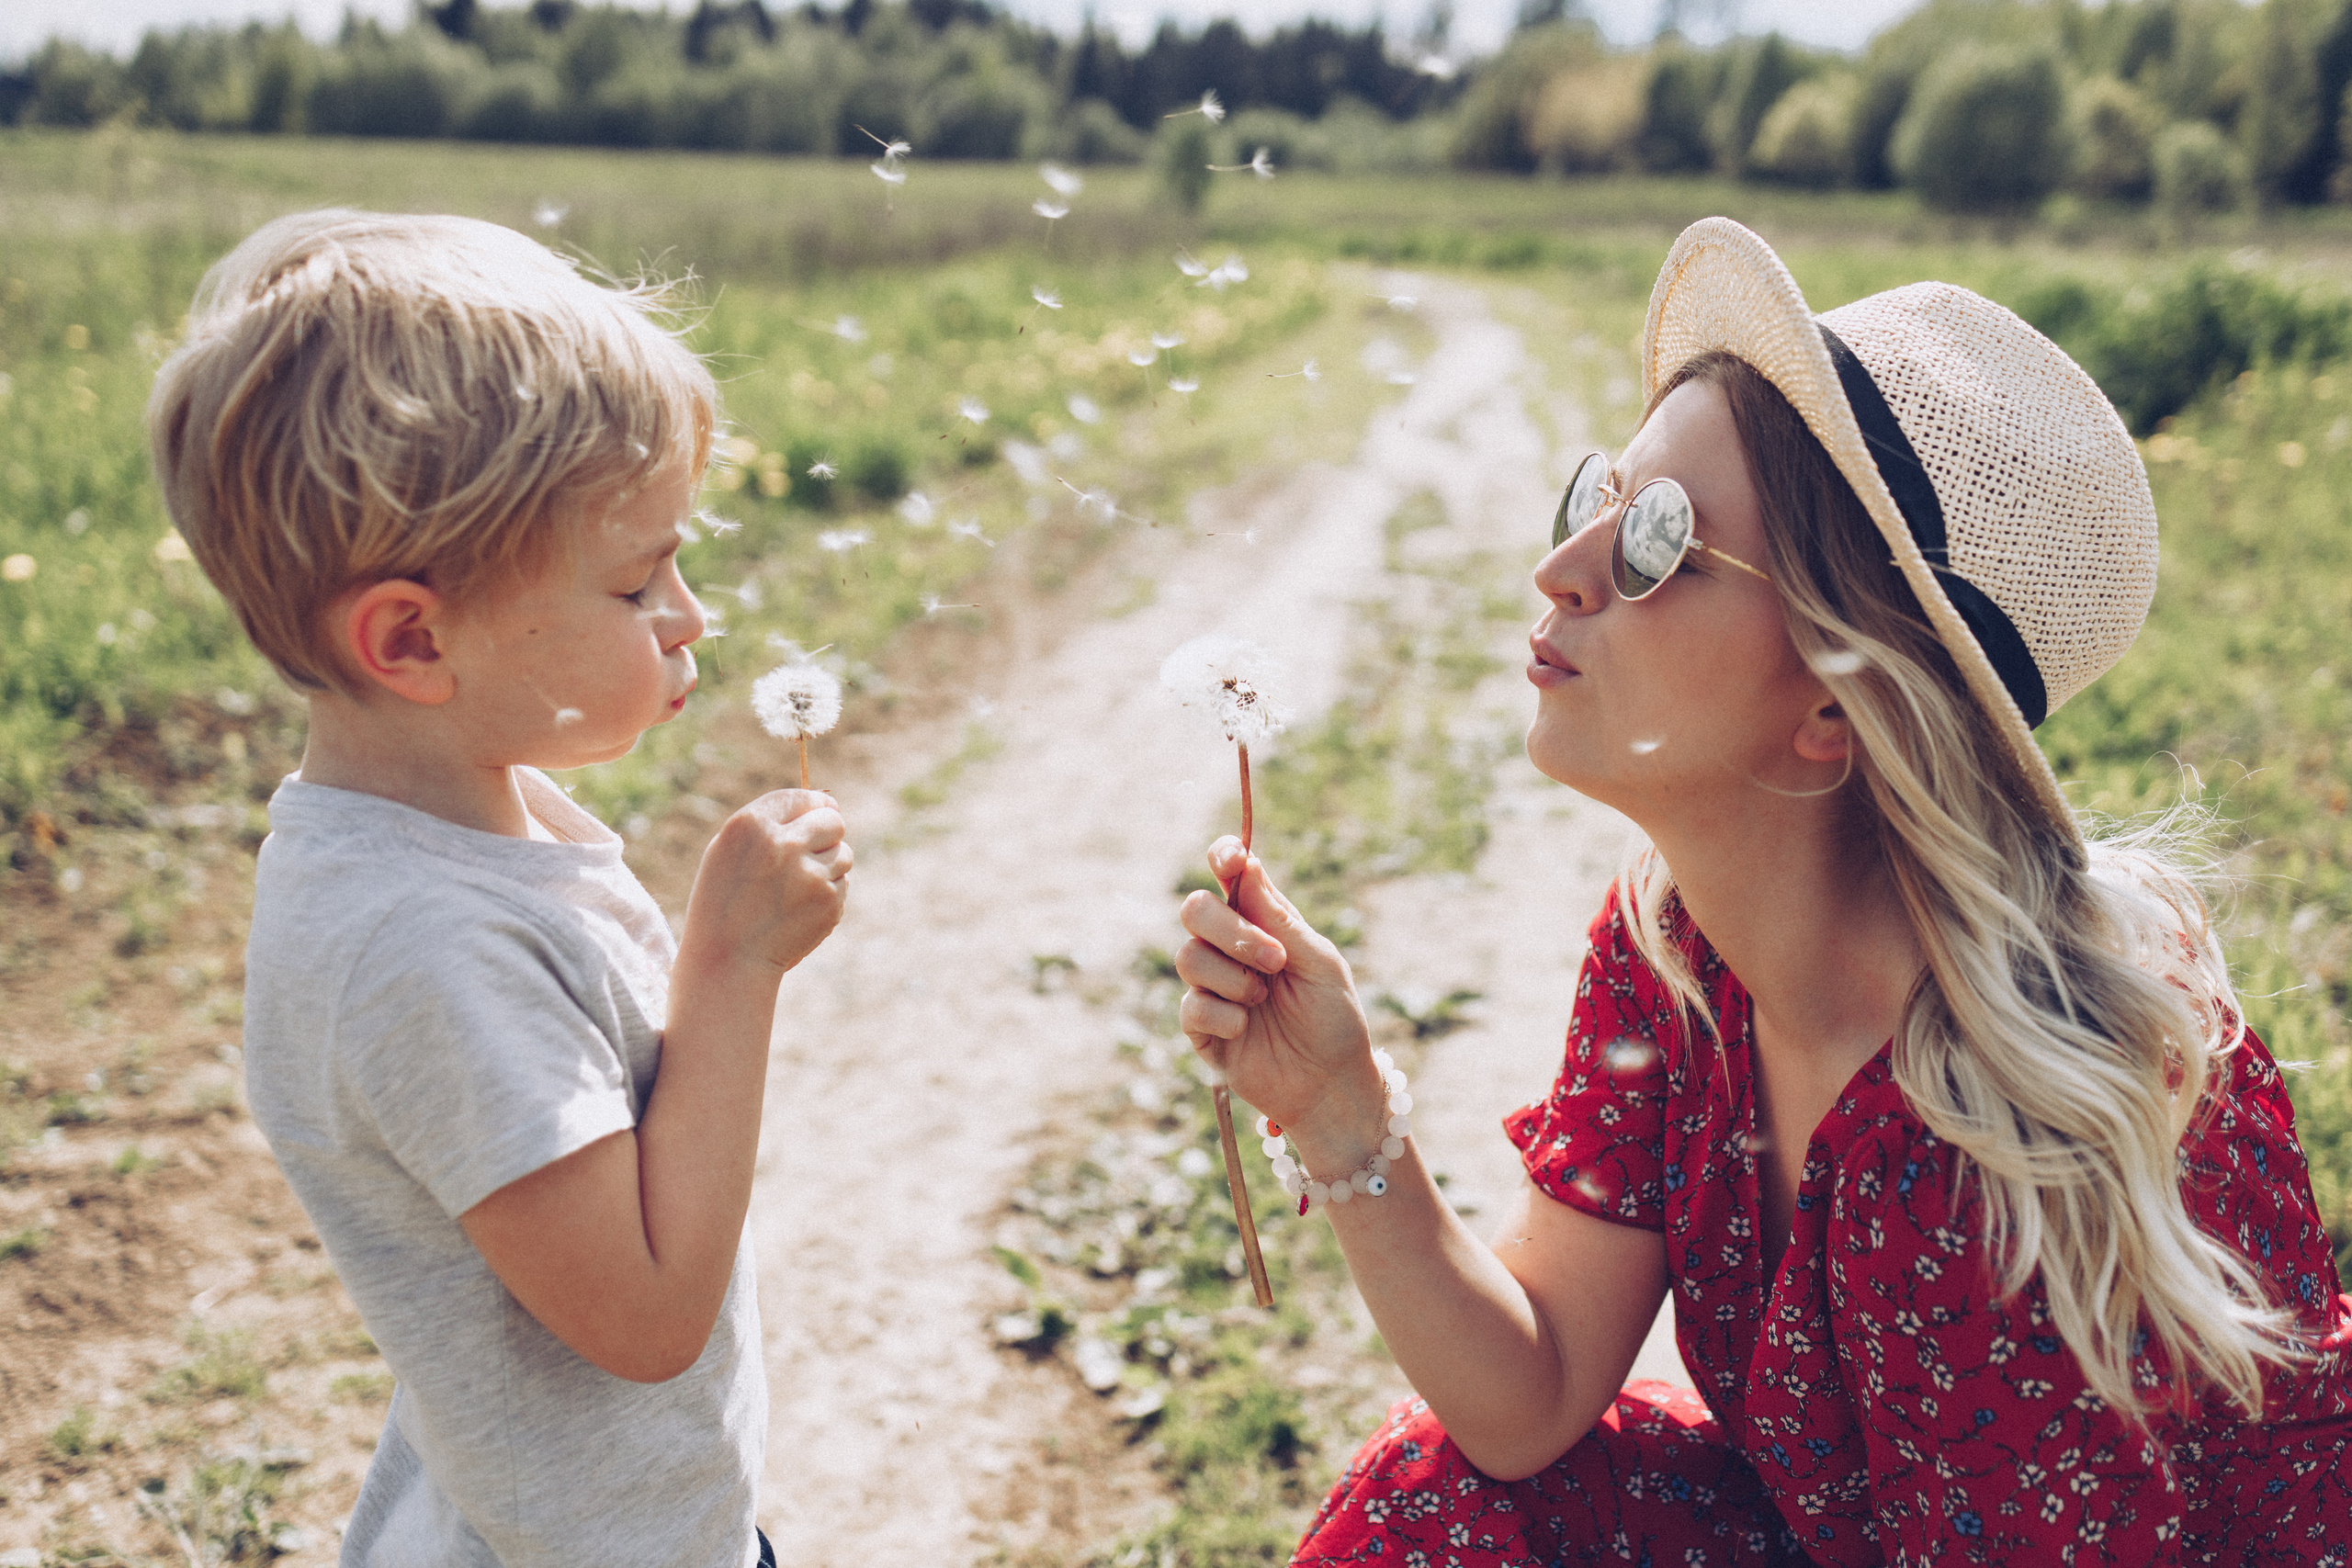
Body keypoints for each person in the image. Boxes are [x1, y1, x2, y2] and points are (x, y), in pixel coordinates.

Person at [1174, 217, 2352, 1564]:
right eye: (1599, 501)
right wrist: (1341, 1110)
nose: (1563, 571)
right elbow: (1532, 1393)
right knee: (1434, 1496)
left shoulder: (1998, 1153)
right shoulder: (1675, 954)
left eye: (1660, 543)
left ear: (1839, 706)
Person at [147, 210, 851, 1568]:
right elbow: (646, 1322)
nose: (690, 614)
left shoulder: (460, 822)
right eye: (640, 579)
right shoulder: (422, 947)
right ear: (413, 639)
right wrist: (733, 969)